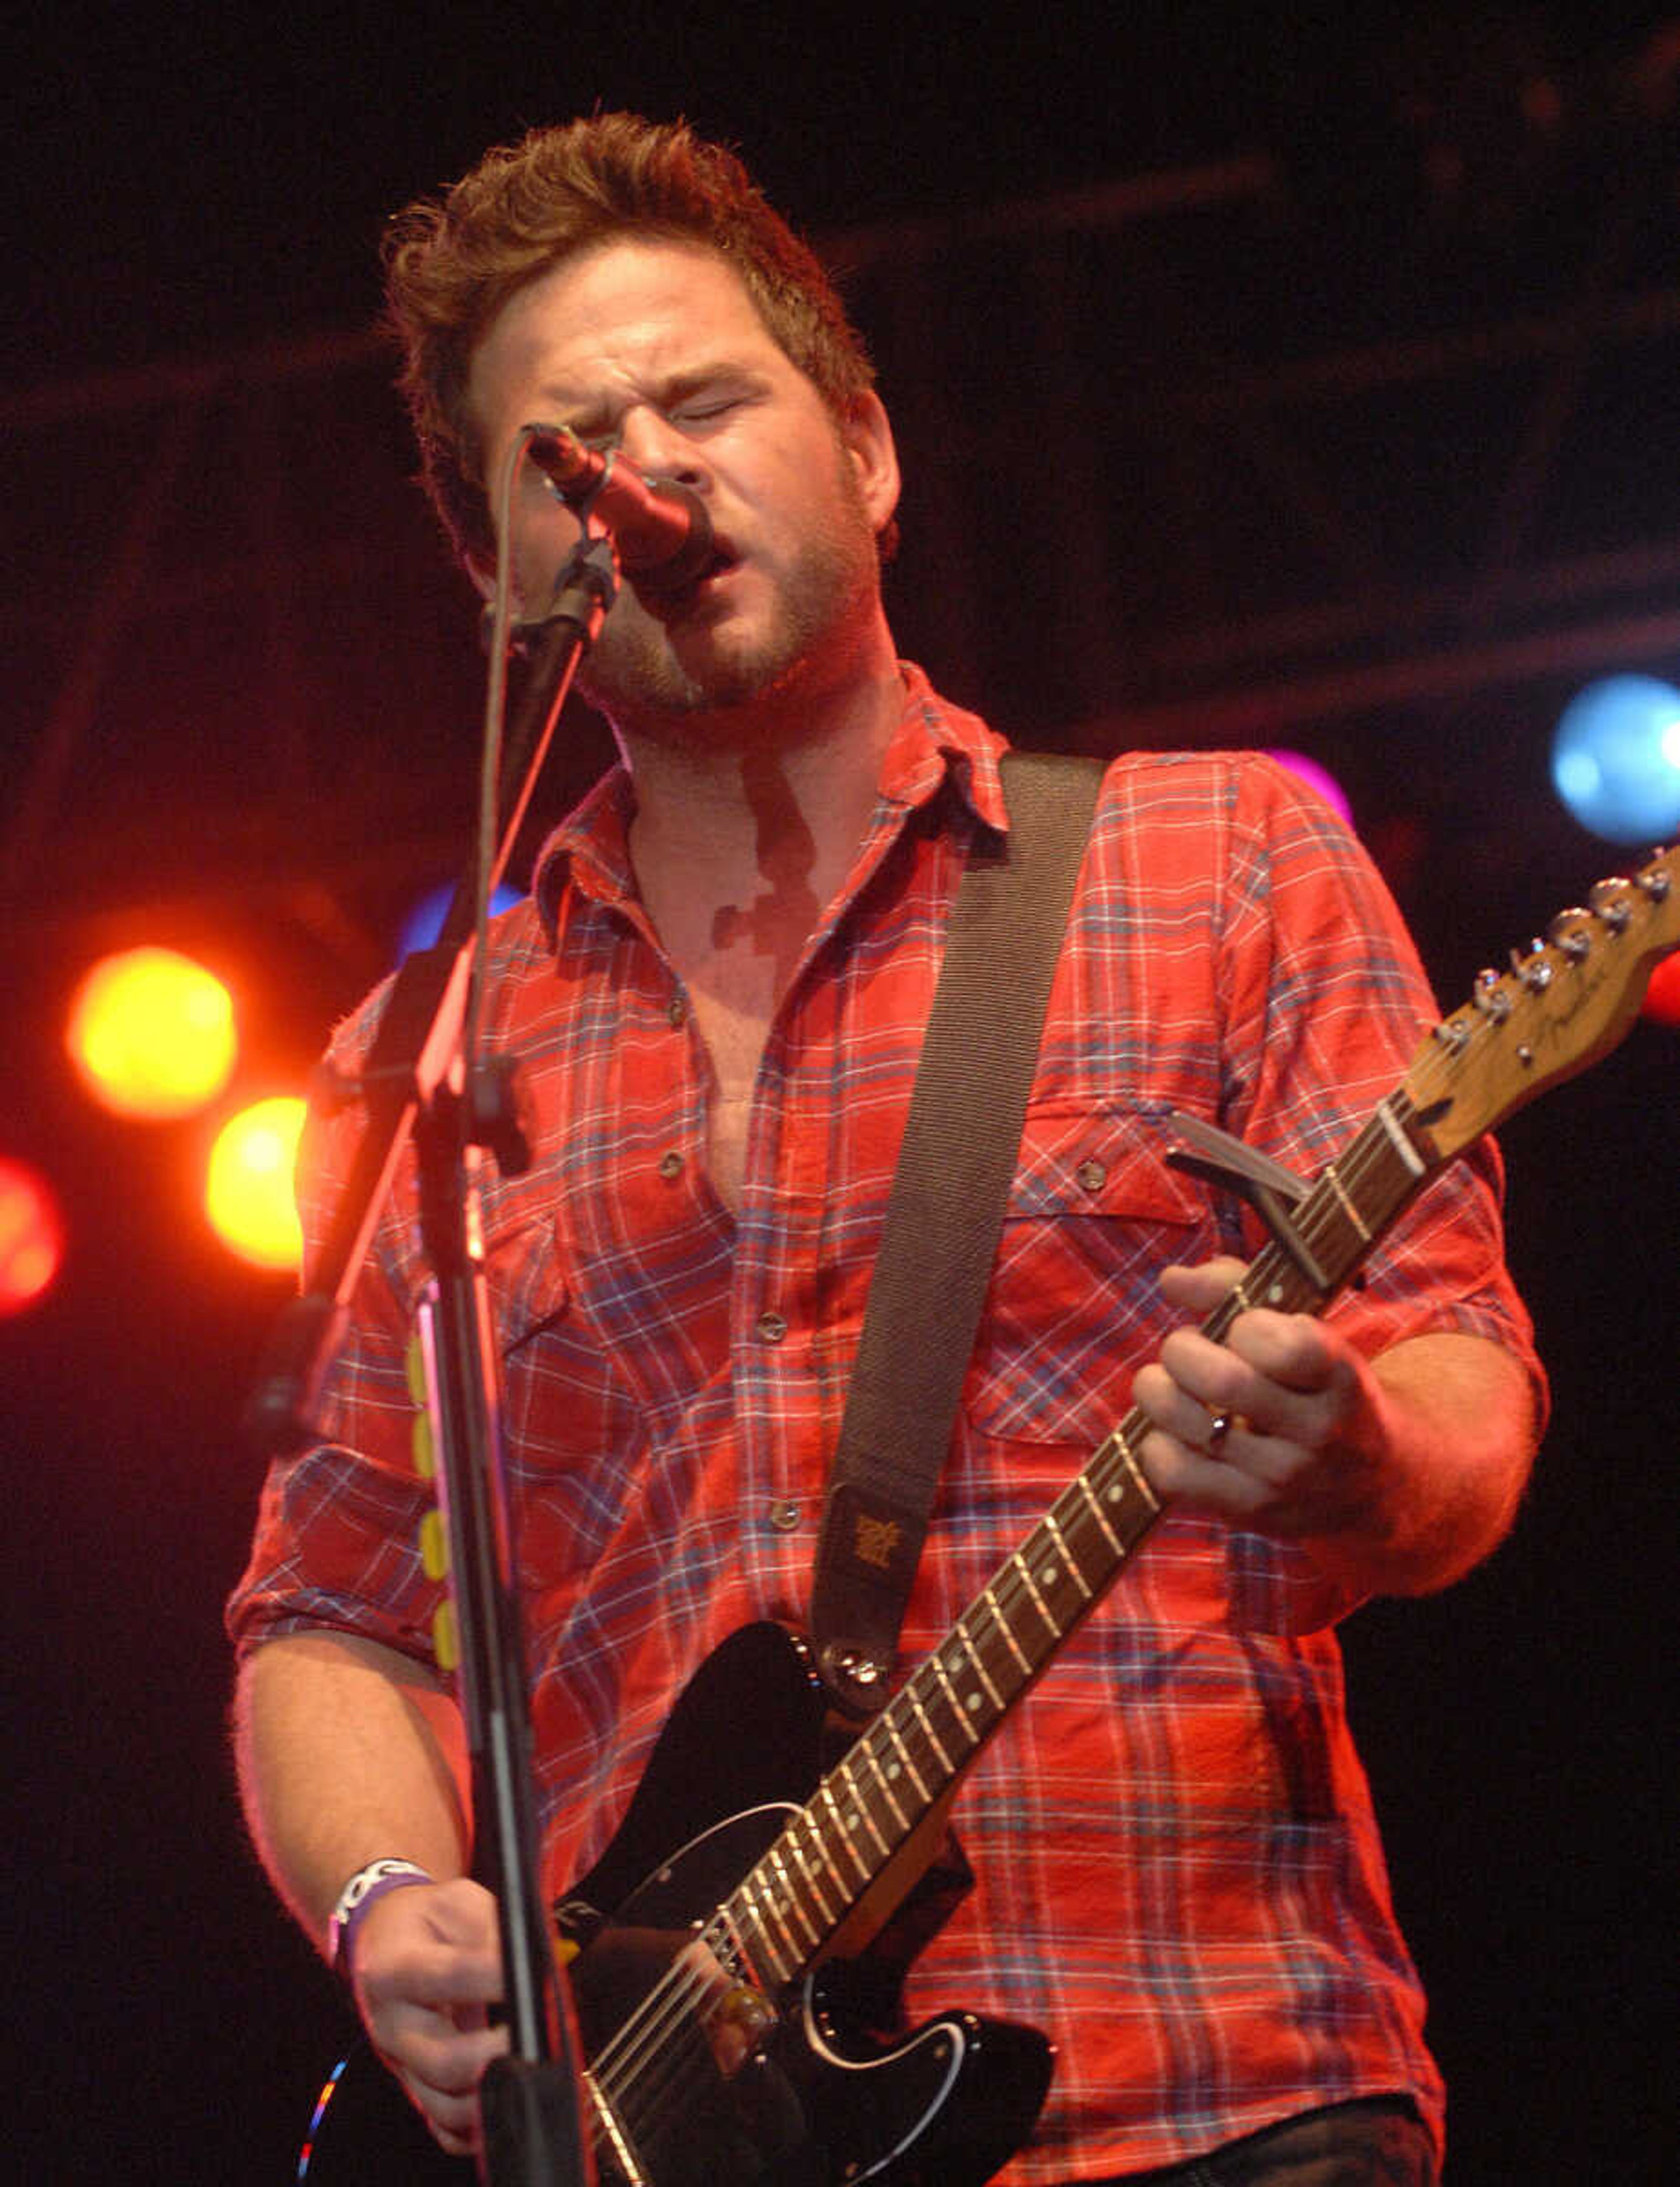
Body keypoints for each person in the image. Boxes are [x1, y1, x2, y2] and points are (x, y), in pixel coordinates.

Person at [228, 113, 1543, 2186]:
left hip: (1203, 2080)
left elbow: (1456, 1359)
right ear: (502, 579)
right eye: (566, 453)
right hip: (682, 2130)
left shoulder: (1217, 860)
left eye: (705, 402)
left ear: (868, 450)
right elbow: (331, 1608)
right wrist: (385, 1891)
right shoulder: (419, 1060)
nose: (643, 472)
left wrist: (1366, 1455)